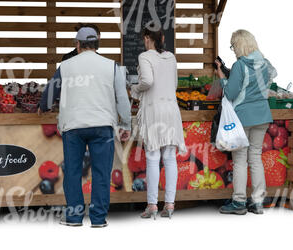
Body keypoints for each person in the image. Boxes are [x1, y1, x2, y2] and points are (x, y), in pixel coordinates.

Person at [39, 27, 131, 227]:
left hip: (73, 126)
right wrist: (126, 123)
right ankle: (98, 219)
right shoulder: (111, 66)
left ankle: (74, 217)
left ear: (78, 45)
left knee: (72, 172)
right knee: (101, 173)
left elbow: (47, 99)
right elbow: (122, 99)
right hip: (102, 126)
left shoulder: (66, 66)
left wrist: (45, 107)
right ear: (97, 44)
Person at [216, 29, 277, 215]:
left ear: (240, 45)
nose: (233, 49)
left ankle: (239, 202)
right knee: (256, 157)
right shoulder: (265, 63)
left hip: (243, 117)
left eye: (233, 45)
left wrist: (221, 78)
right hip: (263, 116)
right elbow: (269, 81)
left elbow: (231, 93)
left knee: (240, 160)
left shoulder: (239, 66)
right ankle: (258, 202)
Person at [131, 25, 185, 219]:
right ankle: (169, 205)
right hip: (171, 110)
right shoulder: (171, 57)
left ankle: (152, 205)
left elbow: (147, 81)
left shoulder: (145, 57)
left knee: (153, 158)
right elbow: (175, 84)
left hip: (153, 111)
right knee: (170, 158)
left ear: (147, 38)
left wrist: (134, 89)